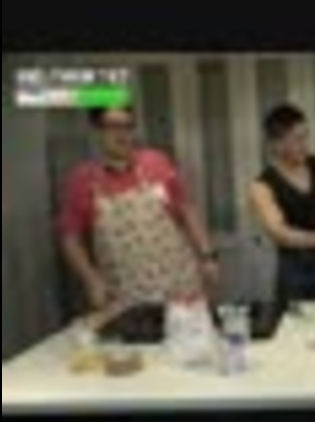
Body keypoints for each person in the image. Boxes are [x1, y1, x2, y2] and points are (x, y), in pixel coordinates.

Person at [58, 106, 219, 310]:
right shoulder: (82, 180)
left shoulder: (157, 162)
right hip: (128, 294)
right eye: (113, 126)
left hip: (180, 284)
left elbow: (187, 209)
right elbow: (70, 238)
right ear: (97, 131)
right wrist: (91, 279)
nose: (122, 134)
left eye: (127, 126)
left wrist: (207, 256)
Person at [249, 103, 315, 303]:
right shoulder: (262, 186)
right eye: (298, 139)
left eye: (306, 136)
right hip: (295, 272)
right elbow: (280, 234)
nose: (305, 145)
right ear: (277, 144)